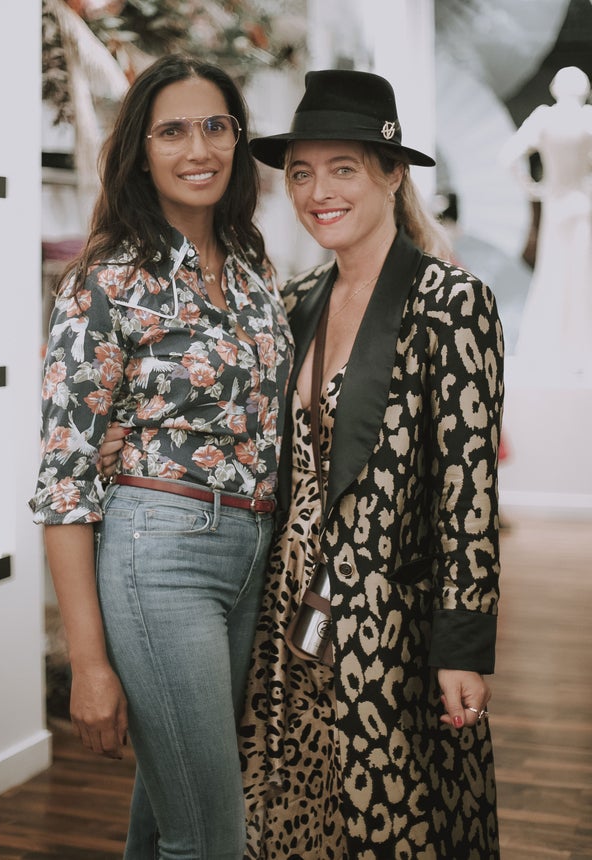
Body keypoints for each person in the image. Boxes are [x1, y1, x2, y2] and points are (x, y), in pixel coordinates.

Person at [29, 54, 293, 860]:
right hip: (160, 555)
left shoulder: (252, 271)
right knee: (211, 835)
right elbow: (64, 482)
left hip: (249, 555)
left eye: (215, 126)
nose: (198, 149)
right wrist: (88, 663)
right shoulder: (105, 282)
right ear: (140, 151)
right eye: (171, 131)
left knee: (169, 815)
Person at [239, 69, 503, 858]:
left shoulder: (450, 303)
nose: (319, 190)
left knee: (394, 822)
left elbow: (471, 495)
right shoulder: (296, 301)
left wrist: (462, 648)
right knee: (294, 816)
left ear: (393, 174)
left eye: (343, 168)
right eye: (300, 172)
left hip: (394, 625)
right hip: (294, 617)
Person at [500, 65, 592, 374]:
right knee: (580, 275)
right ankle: (581, 348)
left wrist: (532, 188)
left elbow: (509, 156)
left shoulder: (544, 117)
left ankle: (551, 347)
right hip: (582, 203)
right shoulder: (588, 118)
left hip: (555, 201)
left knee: (553, 272)